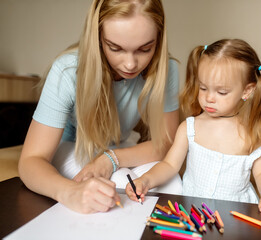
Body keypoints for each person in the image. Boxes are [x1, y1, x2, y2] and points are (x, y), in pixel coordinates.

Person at [18, 0, 182, 214]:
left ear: (159, 40)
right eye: (115, 48)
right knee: (119, 185)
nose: (131, 64)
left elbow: (167, 144)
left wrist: (111, 159)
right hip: (74, 146)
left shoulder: (166, 69)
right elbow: (30, 161)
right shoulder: (67, 70)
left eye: (145, 49)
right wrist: (69, 192)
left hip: (118, 146)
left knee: (173, 184)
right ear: (97, 38)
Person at [126, 39, 261, 217]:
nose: (209, 98)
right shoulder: (189, 128)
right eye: (203, 88)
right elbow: (169, 164)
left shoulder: (250, 134)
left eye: (221, 92)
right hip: (194, 215)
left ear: (247, 91)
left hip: (238, 218)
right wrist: (146, 180)